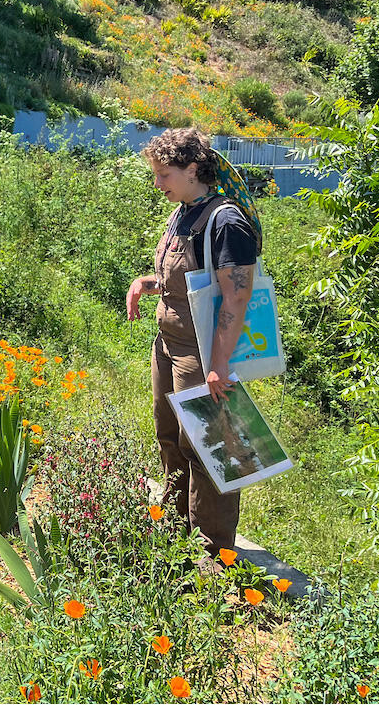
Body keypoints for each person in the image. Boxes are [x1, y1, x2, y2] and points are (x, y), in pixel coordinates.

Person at [125, 128, 259, 555]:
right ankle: (177, 528)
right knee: (169, 436)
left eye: (165, 174)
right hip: (168, 345)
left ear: (193, 169)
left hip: (201, 354)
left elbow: (237, 295)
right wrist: (147, 282)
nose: (158, 183)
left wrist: (217, 362)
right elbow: (190, 279)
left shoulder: (226, 220)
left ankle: (213, 550)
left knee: (209, 448)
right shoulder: (184, 210)